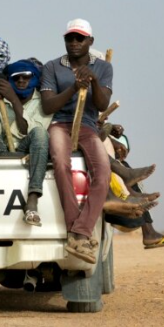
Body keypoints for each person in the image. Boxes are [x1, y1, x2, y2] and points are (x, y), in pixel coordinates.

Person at [40, 19, 113, 262]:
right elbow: (48, 105)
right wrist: (73, 88)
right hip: (60, 124)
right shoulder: (52, 67)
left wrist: (92, 80)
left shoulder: (102, 67)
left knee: (103, 174)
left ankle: (78, 232)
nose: (74, 43)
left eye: (80, 38)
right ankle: (78, 233)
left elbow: (102, 105)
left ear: (90, 42)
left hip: (88, 126)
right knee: (61, 165)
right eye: (69, 38)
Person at [0, 57, 51, 227]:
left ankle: (32, 199)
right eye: (16, 78)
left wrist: (14, 100)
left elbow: (25, 131)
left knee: (40, 133)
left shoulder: (42, 101)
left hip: (26, 147)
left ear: (34, 78)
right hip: (4, 147)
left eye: (25, 77)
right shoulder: (3, 98)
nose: (21, 81)